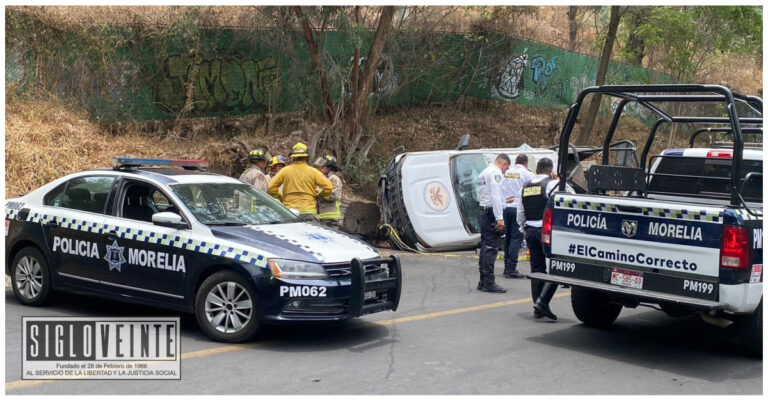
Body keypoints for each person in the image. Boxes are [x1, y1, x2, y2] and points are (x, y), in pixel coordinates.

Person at [517, 157, 574, 320]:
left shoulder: (526, 186)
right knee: (557, 268)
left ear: (536, 170)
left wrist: (524, 229)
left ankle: (538, 307)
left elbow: (520, 212)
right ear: (550, 170)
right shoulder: (551, 184)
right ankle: (542, 302)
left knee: (537, 270)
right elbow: (571, 197)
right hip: (547, 232)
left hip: (530, 231)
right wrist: (561, 182)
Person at [268, 142, 333, 220]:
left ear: (293, 157)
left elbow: (271, 187)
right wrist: (320, 195)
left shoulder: (285, 170)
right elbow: (329, 187)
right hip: (308, 211)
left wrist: (280, 197)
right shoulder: (313, 171)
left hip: (290, 210)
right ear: (306, 157)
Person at [475, 154, 511, 293]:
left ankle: (483, 281)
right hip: (491, 214)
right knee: (491, 248)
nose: (505, 171)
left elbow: (485, 195)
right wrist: (499, 218)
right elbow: (495, 195)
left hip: (483, 211)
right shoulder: (495, 173)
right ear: (502, 163)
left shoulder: (484, 173)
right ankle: (489, 283)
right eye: (506, 168)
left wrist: (503, 201)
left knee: (485, 247)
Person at [501, 154, 535, 279]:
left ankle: (506, 267)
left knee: (508, 238)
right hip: (517, 208)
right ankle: (511, 269)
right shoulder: (527, 174)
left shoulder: (506, 172)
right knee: (517, 239)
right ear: (526, 164)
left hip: (505, 208)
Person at [313, 155, 343, 227]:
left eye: (322, 166)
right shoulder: (322, 179)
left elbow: (335, 195)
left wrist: (320, 192)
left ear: (329, 167)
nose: (320, 167)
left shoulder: (333, 178)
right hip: (321, 217)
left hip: (330, 219)